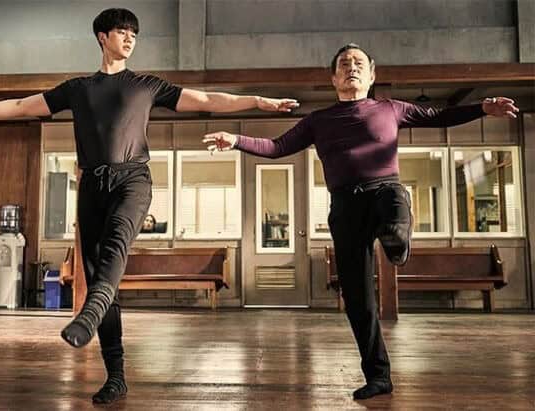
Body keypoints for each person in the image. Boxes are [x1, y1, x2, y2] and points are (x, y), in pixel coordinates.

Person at [0, 8, 299, 405]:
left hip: (132, 179)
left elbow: (207, 99)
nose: (130, 38)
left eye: (134, 33)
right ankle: (115, 375)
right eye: (122, 31)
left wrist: (259, 101)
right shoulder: (77, 88)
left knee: (116, 244)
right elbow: (19, 107)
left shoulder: (146, 85)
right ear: (103, 37)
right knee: (100, 273)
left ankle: (90, 312)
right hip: (91, 186)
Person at [203, 43, 518, 400]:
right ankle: (379, 377)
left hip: (384, 192)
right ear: (334, 78)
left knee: (394, 200)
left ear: (371, 75)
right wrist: (235, 139)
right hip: (344, 208)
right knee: (358, 299)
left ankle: (397, 239)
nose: (351, 67)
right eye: (344, 63)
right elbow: (277, 147)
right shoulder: (318, 121)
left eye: (358, 63)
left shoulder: (390, 108)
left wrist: (482, 108)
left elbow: (437, 116)